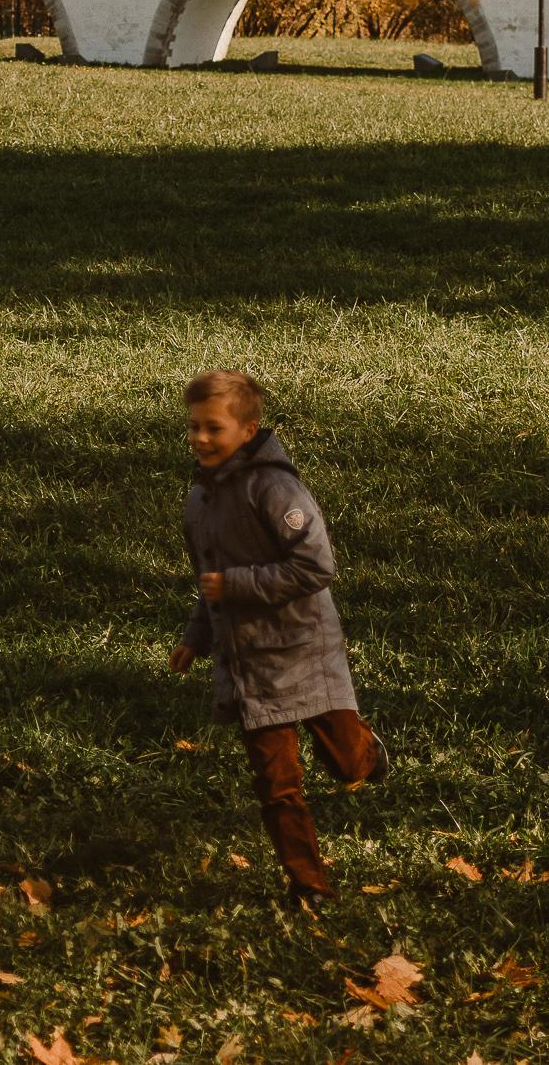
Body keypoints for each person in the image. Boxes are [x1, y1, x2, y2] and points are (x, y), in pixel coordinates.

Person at [168, 370, 386, 901]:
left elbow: (316, 566)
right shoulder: (200, 500)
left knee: (346, 763)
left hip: (303, 650)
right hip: (249, 666)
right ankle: (309, 885)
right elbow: (210, 583)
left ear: (248, 430)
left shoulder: (275, 488)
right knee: (276, 784)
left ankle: (369, 752)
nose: (200, 438)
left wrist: (237, 584)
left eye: (213, 428)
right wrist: (195, 637)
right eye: (194, 426)